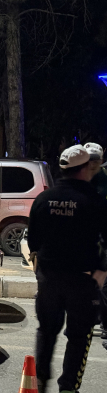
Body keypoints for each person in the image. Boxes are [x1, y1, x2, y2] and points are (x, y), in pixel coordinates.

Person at [28, 144, 107, 393]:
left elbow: (33, 240)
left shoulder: (43, 199)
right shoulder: (94, 200)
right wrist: (101, 271)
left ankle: (38, 382)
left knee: (46, 330)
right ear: (84, 169)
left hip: (49, 277)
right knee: (79, 335)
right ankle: (68, 392)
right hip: (82, 280)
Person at [85, 142, 107, 346]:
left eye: (95, 159)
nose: (92, 163)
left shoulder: (104, 179)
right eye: (89, 159)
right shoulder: (81, 178)